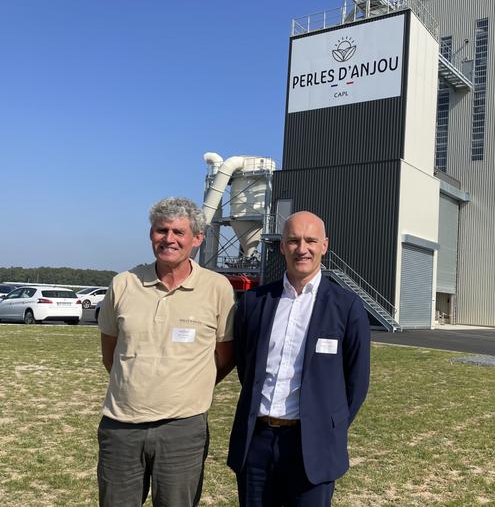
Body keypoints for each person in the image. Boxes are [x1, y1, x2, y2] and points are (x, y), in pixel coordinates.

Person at [97, 197, 235, 507]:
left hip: (182, 430)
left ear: (197, 239)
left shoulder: (217, 288)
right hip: (121, 428)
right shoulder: (123, 284)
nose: (168, 239)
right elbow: (112, 354)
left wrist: (188, 386)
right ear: (151, 235)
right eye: (161, 230)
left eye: (178, 232)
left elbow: (225, 356)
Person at [228, 211, 371, 506]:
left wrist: (326, 425)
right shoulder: (255, 303)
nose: (301, 248)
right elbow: (247, 367)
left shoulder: (346, 306)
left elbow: (356, 383)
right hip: (257, 443)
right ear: (282, 246)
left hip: (312, 447)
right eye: (293, 240)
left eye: (310, 240)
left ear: (324, 246)